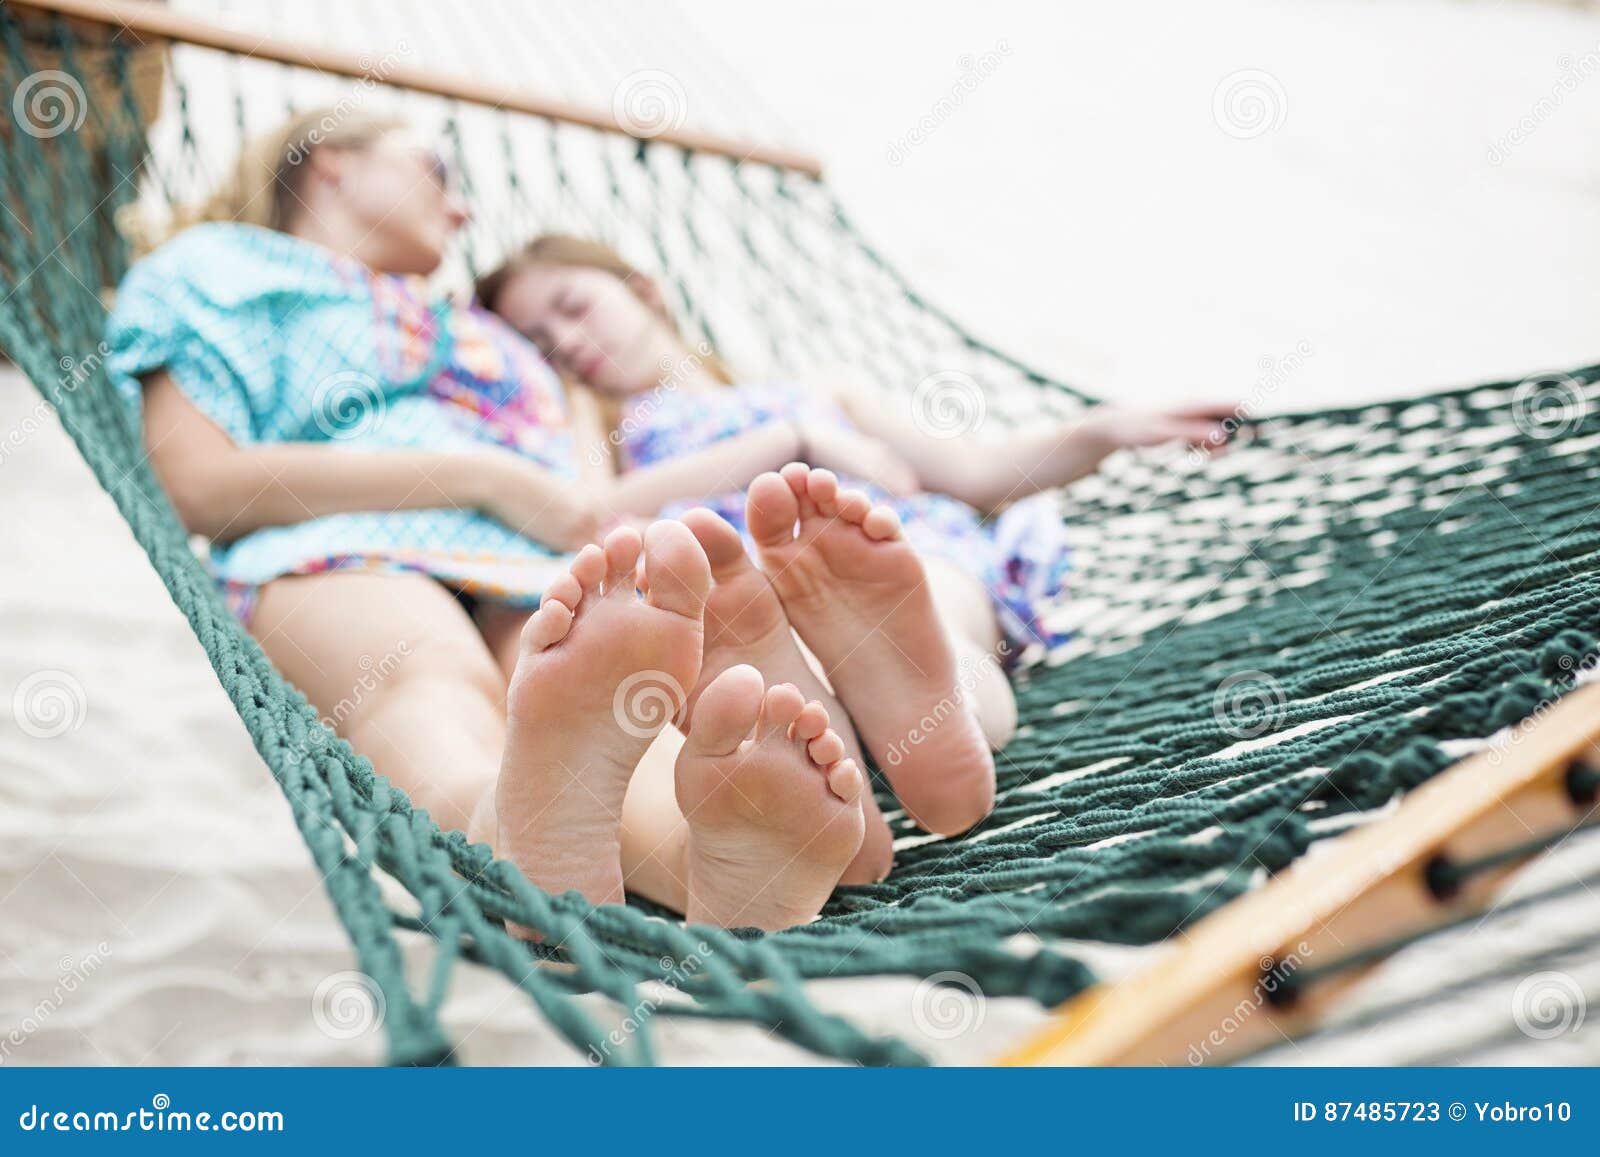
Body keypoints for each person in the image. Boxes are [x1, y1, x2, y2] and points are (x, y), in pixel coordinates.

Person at [104, 109, 874, 931]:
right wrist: (475, 476)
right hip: (338, 540)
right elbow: (198, 484)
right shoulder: (213, 271)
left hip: (533, 559)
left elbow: (586, 499)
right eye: (437, 169)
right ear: (331, 164)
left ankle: (714, 869)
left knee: (618, 712)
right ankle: (508, 839)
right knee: (427, 675)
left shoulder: (493, 336)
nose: (464, 210)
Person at [478, 236, 1235, 881]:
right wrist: (790, 443)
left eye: (573, 307)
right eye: (542, 344)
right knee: (766, 649)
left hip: (886, 545)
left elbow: (975, 474)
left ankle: (925, 705)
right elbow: (595, 512)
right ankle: (860, 712)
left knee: (926, 608)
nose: (568, 344)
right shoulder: (601, 422)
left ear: (643, 289)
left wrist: (1106, 430)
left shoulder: (818, 390)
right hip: (743, 579)